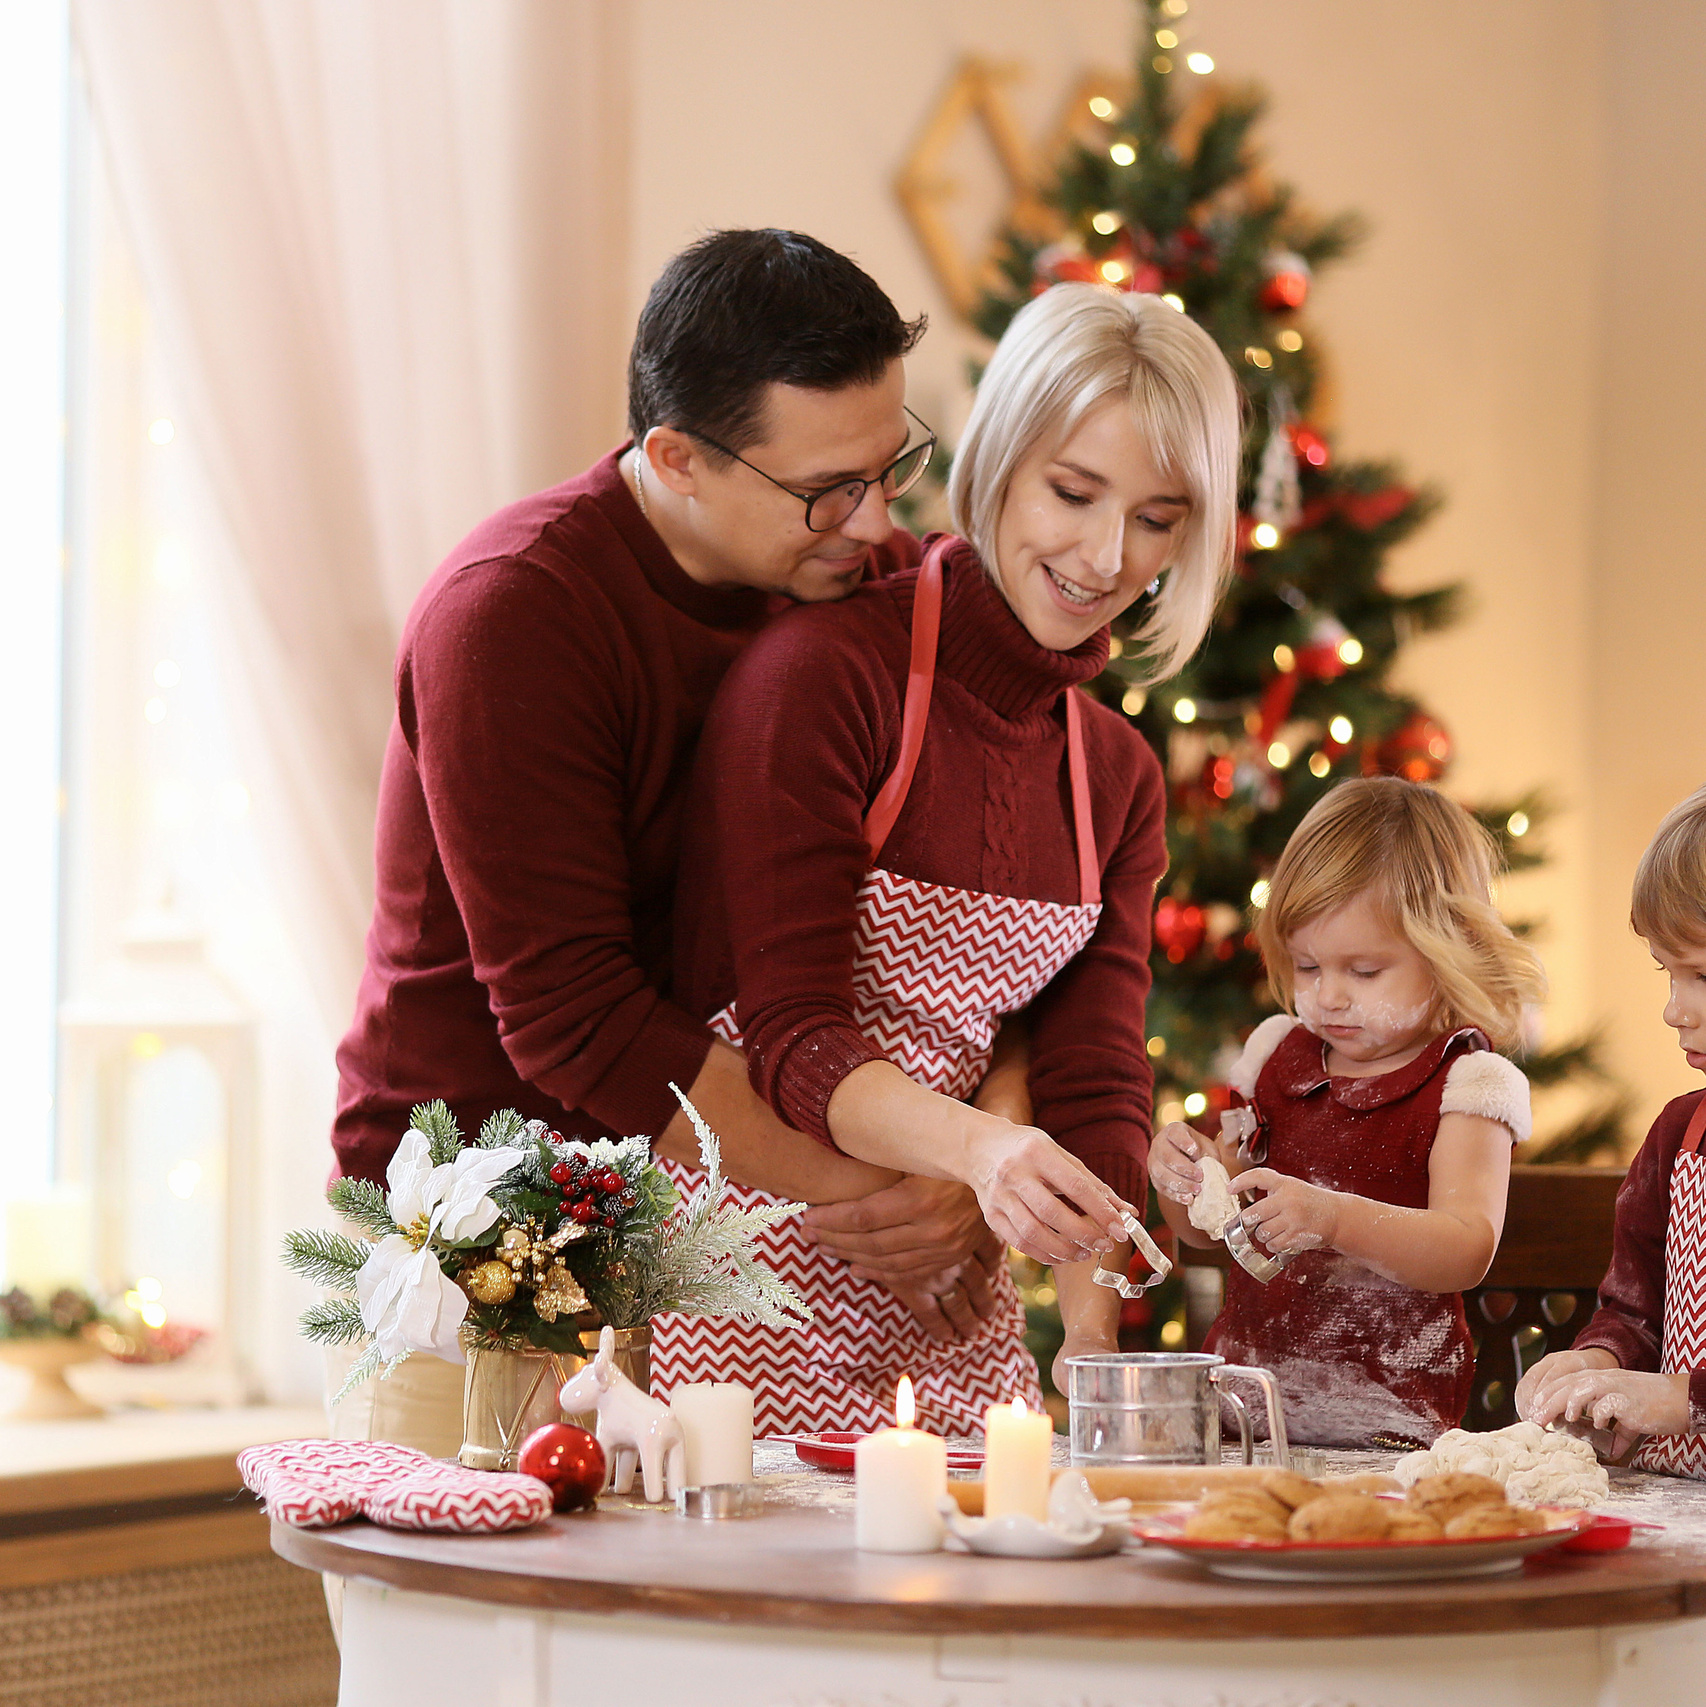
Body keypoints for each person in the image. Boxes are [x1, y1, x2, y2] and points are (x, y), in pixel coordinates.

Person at [327, 230, 1013, 1457]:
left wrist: (971, 1167)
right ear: (676, 457)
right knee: (487, 1646)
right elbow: (579, 1018)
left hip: (741, 1222)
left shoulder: (872, 589)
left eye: (890, 465)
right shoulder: (514, 616)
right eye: (825, 489)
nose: (875, 521)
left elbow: (1000, 917)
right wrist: (902, 1183)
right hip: (484, 1245)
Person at [662, 282, 1242, 1434]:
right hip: (735, 1280)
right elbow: (794, 1037)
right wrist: (983, 1157)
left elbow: (1092, 1078)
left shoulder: (1115, 778)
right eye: (1071, 493)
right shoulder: (824, 680)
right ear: (999, 463)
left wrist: (1085, 1342)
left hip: (952, 1310)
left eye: (1157, 517)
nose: (1103, 555)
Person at [1150, 778, 1544, 1447]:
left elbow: (1466, 1246)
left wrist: (1332, 1217)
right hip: (1241, 1424)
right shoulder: (1277, 1054)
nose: (1328, 996)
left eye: (1364, 971)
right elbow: (1201, 1234)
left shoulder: (1469, 1082)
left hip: (1389, 1430)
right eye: (1307, 966)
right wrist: (1189, 1177)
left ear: (1449, 950)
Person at [1517, 784, 1706, 1472]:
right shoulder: (1678, 1136)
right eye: (1667, 970)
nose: (1674, 1008)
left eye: (1702, 974)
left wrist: (1682, 1397)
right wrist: (1596, 1365)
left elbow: (1675, 1393)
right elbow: (1635, 1311)